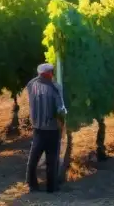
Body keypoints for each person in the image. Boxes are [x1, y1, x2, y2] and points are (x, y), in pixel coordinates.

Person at [26, 63, 67, 193]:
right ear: (49, 74)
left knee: (33, 159)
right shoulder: (55, 88)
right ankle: (51, 188)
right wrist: (64, 121)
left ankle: (32, 185)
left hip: (37, 128)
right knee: (52, 160)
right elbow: (61, 109)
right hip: (52, 129)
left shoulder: (31, 85)